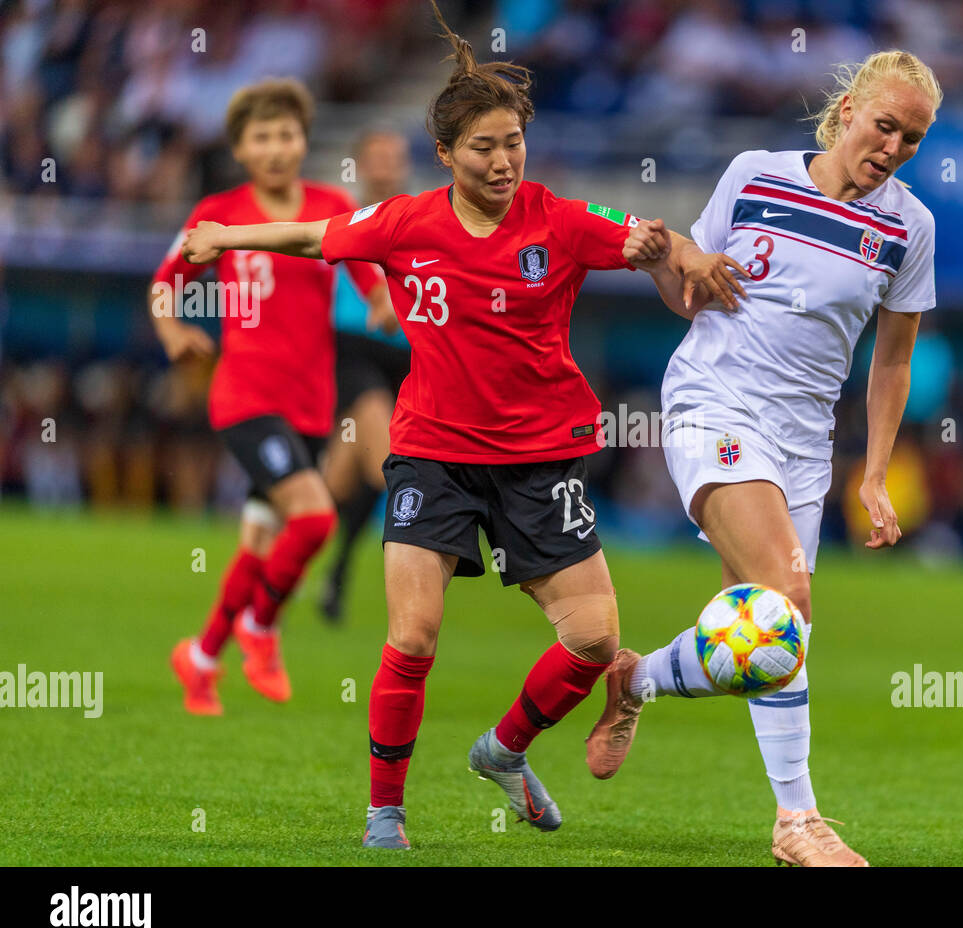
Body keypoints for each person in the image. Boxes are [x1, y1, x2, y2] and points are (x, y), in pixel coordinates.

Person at [179, 2, 687, 850]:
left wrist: (675, 252)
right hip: (433, 456)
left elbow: (642, 240)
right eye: (482, 147)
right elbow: (312, 234)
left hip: (541, 459)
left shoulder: (557, 221)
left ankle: (503, 750)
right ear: (446, 154)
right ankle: (386, 813)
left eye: (513, 143)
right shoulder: (405, 223)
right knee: (411, 637)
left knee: (596, 640)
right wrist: (226, 236)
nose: (501, 160)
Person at [587, 50, 942, 867]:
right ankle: (798, 824)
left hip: (803, 442)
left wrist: (876, 472)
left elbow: (892, 362)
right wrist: (659, 266)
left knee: (768, 641)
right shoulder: (755, 174)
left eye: (913, 139)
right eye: (884, 124)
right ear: (849, 108)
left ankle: (635, 681)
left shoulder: (909, 228)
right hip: (714, 403)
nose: (892, 147)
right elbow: (691, 293)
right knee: (785, 596)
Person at [151, 78, 392, 716]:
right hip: (246, 397)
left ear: (304, 140)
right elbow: (165, 283)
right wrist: (174, 329)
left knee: (258, 544)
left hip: (311, 406)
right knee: (315, 518)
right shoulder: (217, 211)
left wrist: (387, 306)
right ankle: (262, 627)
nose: (277, 147)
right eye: (262, 137)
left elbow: (373, 282)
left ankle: (200, 659)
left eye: (287, 134)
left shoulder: (330, 204)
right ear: (239, 147)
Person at [318, 128, 414, 623]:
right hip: (351, 351)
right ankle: (413, 588)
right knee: (388, 464)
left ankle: (329, 569)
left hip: (405, 359)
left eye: (392, 157)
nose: (385, 166)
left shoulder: (419, 225)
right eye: (376, 157)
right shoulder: (342, 223)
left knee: (341, 479)